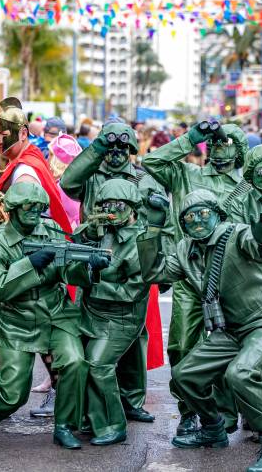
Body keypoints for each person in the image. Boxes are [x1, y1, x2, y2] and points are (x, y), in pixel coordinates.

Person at [137, 189, 262, 472]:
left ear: (217, 214)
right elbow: (155, 274)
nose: (197, 221)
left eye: (203, 214)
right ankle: (213, 428)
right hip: (233, 329)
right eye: (189, 217)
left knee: (241, 374)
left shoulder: (235, 234)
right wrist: (152, 228)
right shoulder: (186, 249)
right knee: (185, 375)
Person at [0, 181, 107, 449]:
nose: (34, 213)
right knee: (12, 394)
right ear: (13, 209)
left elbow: (69, 271)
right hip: (15, 320)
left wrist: (90, 266)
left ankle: (65, 425)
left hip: (55, 314)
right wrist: (29, 264)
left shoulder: (52, 232)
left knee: (75, 362)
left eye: (39, 208)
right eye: (28, 207)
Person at [142, 121, 248, 435]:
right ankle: (189, 409)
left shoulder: (247, 186)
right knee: (182, 347)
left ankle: (226, 412)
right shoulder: (189, 174)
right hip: (189, 276)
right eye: (213, 142)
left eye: (226, 141)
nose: (218, 146)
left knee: (229, 348)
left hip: (230, 280)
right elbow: (152, 162)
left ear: (239, 148)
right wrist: (192, 137)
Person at [61, 121, 168, 424]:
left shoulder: (143, 178)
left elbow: (158, 220)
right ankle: (88, 405)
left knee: (135, 336)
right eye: (112, 146)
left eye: (124, 147)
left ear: (133, 150)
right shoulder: (91, 174)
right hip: (94, 256)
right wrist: (96, 147)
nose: (117, 152)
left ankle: (131, 400)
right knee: (87, 331)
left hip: (132, 261)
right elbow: (68, 183)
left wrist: (154, 261)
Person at [0, 97, 73, 417]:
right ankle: (57, 395)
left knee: (35, 328)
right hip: (31, 257)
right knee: (43, 329)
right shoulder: (28, 159)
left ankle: (25, 395)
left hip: (30, 259)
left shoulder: (25, 168)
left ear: (22, 132)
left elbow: (25, 217)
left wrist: (11, 256)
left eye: (5, 132)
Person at [71, 179, 156, 445]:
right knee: (79, 362)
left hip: (122, 318)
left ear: (132, 208)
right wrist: (89, 230)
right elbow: (75, 243)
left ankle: (112, 425)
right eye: (106, 205)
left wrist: (94, 281)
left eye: (119, 205)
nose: (112, 211)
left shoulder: (143, 241)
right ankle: (89, 417)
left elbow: (134, 291)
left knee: (98, 365)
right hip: (90, 313)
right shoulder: (101, 230)